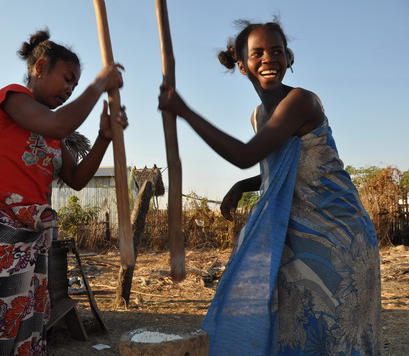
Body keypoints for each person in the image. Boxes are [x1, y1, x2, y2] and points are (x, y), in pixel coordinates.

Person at [158, 20, 381, 355]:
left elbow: (246, 155)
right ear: (242, 65)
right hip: (298, 239)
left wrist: (185, 112)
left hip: (340, 235)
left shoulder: (301, 102)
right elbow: (277, 166)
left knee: (337, 332)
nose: (268, 58)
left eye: (277, 51)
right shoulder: (258, 116)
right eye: (257, 52)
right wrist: (244, 185)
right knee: (298, 327)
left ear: (289, 58)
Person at [0, 28, 126, 355]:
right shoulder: (11, 98)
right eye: (67, 79)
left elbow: (77, 178)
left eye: (75, 83)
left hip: (31, 244)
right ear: (39, 68)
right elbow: (57, 124)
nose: (70, 89)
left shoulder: (54, 137)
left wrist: (104, 138)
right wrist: (99, 84)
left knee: (22, 333)